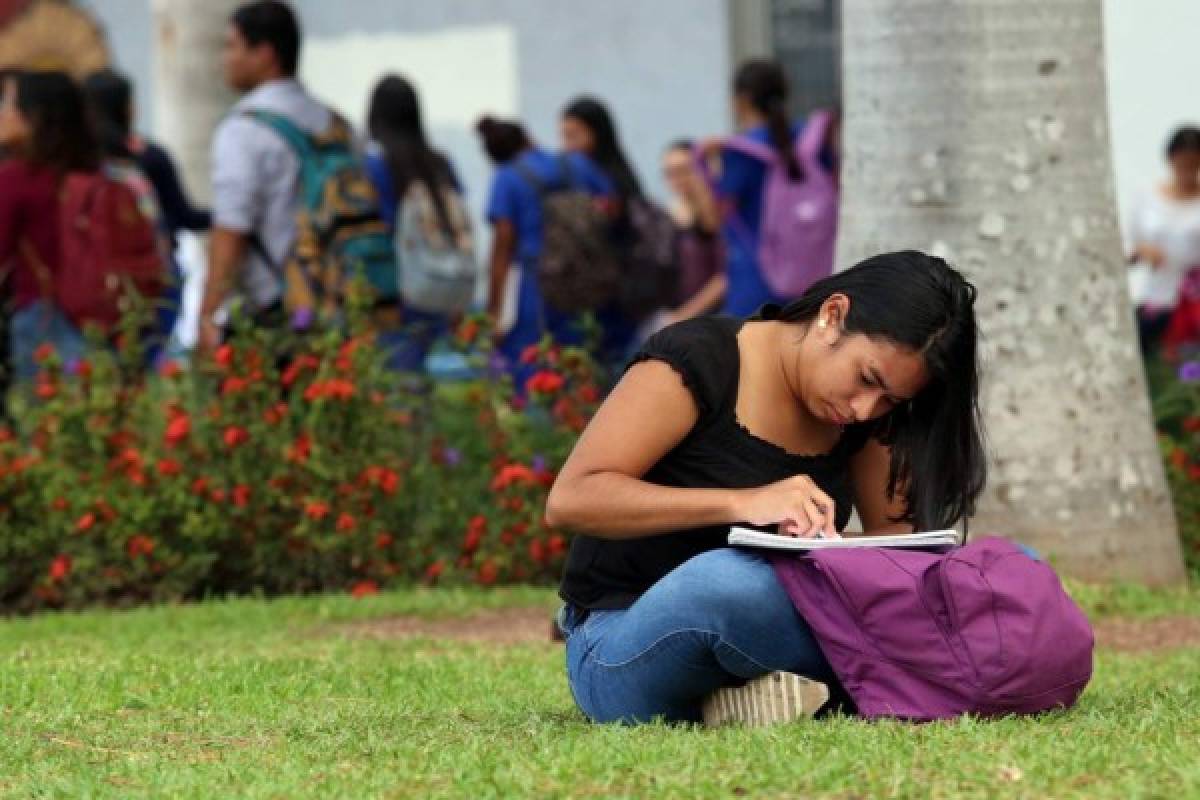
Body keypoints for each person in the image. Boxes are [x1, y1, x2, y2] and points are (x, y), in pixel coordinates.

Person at [545, 251, 986, 725]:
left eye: (889, 400)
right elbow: (572, 499)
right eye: (866, 379)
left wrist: (834, 549)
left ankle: (768, 690)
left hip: (779, 621)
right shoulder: (695, 360)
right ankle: (875, 681)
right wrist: (746, 502)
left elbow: (897, 554)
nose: (865, 409)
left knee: (1001, 569)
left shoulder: (865, 416)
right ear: (832, 315)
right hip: (620, 639)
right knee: (730, 585)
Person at [199, 0, 333, 353]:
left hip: (273, 308)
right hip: (337, 304)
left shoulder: (243, 129)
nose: (225, 59)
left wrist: (208, 314)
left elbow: (232, 228)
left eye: (232, 46)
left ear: (264, 54)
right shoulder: (333, 124)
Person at [476, 115, 624, 380]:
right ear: (528, 138)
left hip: (538, 283)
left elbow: (503, 247)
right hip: (586, 278)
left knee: (533, 363)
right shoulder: (576, 164)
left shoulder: (507, 177)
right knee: (583, 360)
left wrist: (494, 310)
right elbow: (612, 207)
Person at [705, 59, 839, 318]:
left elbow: (714, 220)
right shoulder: (811, 138)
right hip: (814, 279)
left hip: (756, 281)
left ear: (741, 100)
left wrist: (709, 165)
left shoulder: (740, 151)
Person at [0, 70, 99, 380]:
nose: (3, 113)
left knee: (45, 421)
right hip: (100, 318)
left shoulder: (15, 179)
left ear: (32, 116)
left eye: (8, 104)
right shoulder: (94, 176)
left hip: (39, 317)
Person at [364, 73, 462, 371]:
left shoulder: (374, 167)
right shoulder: (440, 165)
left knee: (397, 384)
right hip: (438, 284)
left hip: (392, 293)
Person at [1127, 126, 1200, 356]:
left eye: (1193, 163)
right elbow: (1129, 248)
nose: (1187, 169)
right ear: (1170, 159)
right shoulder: (1146, 198)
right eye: (1182, 162)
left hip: (1194, 305)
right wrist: (1142, 251)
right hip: (1156, 300)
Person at [660, 139, 724, 322]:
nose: (677, 179)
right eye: (669, 173)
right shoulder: (668, 216)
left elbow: (726, 276)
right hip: (679, 319)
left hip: (715, 318)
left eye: (683, 170)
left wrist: (684, 314)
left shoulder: (717, 215)